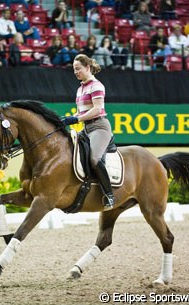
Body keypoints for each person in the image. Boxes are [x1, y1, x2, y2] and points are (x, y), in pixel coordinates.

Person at [62, 54, 115, 211]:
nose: (75, 72)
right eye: (74, 69)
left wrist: (76, 120)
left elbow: (97, 109)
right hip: (86, 128)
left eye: (78, 69)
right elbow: (81, 112)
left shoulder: (96, 86)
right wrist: (69, 118)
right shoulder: (80, 88)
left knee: (94, 159)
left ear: (87, 67)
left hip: (99, 127)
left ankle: (109, 195)